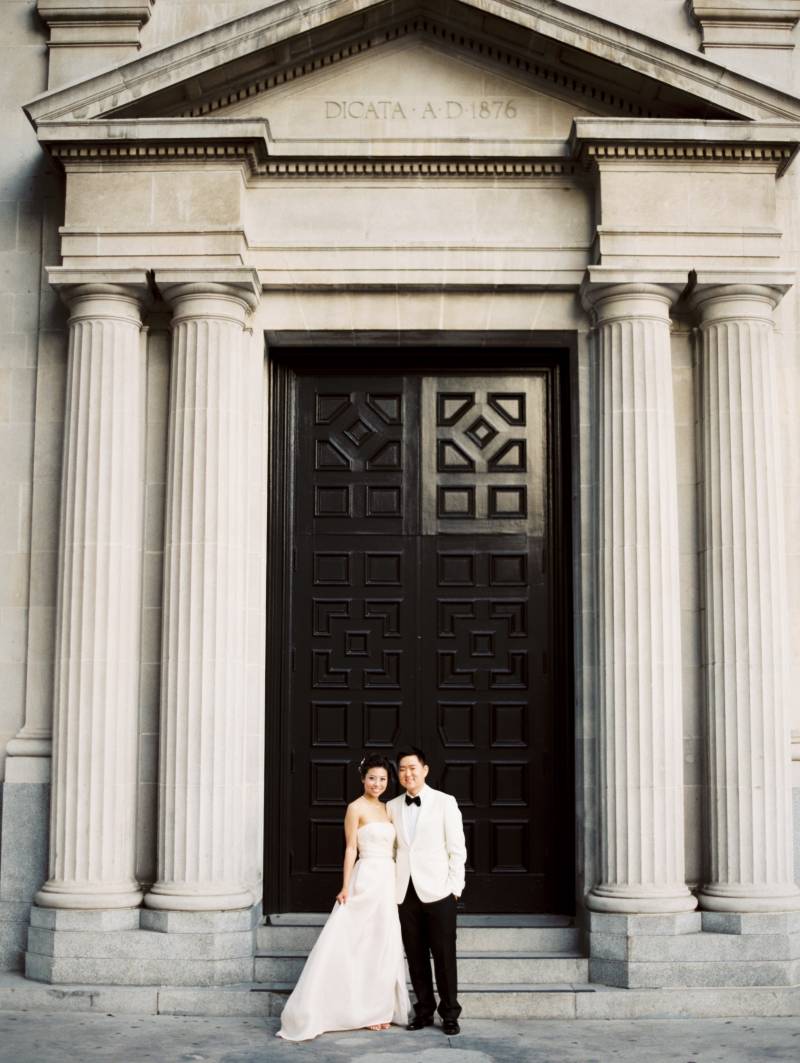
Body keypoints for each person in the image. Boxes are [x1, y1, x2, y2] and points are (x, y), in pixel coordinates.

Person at [276, 753, 411, 1041]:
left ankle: (378, 1008)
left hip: (387, 879)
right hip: (366, 877)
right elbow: (351, 848)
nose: (377, 783)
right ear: (363, 778)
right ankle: (343, 1007)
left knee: (382, 941)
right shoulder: (355, 808)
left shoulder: (389, 809)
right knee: (354, 941)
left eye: (383, 779)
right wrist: (346, 886)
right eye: (372, 778)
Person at [387, 747, 467, 1036]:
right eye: (402, 769)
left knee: (444, 955)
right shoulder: (392, 806)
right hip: (404, 892)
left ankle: (450, 1013)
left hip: (439, 892)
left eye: (412, 768)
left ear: (425, 769)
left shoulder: (445, 802)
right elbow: (393, 850)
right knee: (415, 955)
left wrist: (455, 889)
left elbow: (457, 849)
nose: (407, 774)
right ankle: (423, 1010)